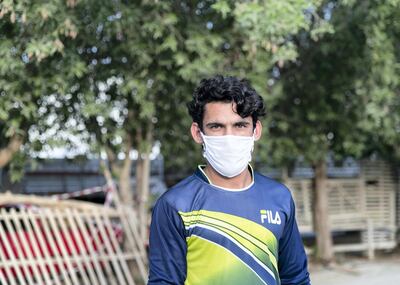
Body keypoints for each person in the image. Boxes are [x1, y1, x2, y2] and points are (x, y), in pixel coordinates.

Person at [148, 75, 310, 285]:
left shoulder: (278, 197)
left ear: (256, 130)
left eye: (240, 125)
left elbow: (295, 278)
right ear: (198, 133)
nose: (229, 137)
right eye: (216, 126)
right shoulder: (175, 205)